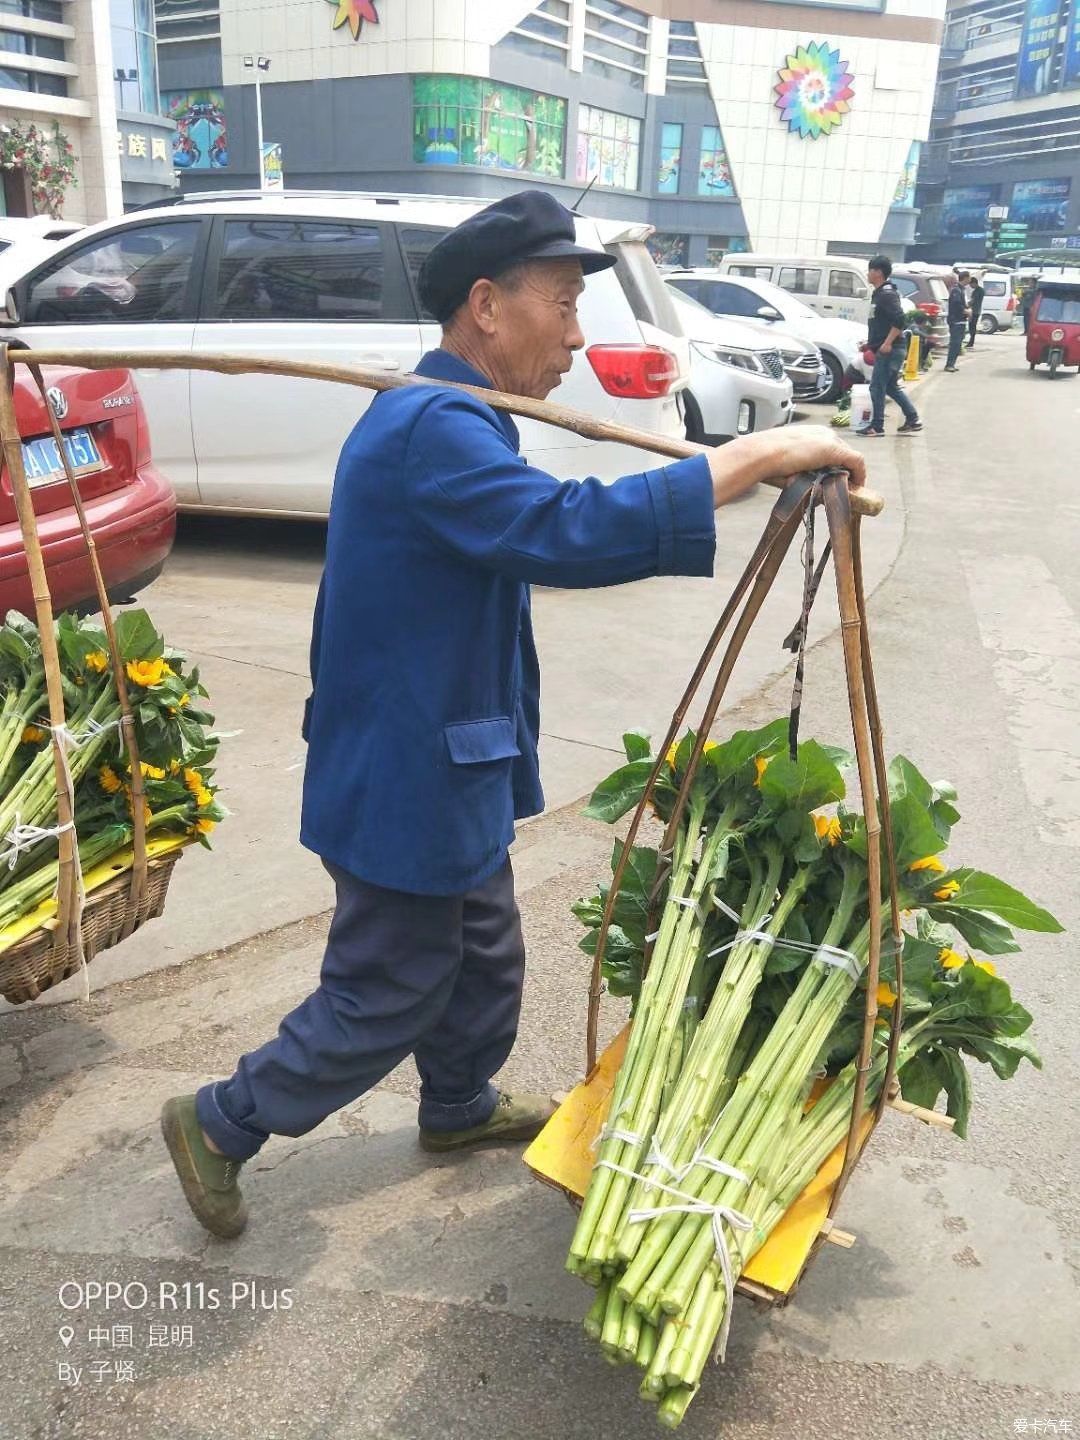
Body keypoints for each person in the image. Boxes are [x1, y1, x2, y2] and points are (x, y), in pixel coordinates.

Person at [159, 190, 865, 1240]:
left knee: (486, 950)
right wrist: (754, 458)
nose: (578, 337)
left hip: (455, 760)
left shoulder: (456, 417)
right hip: (407, 773)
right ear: (486, 308)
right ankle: (222, 1121)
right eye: (566, 304)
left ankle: (457, 1104)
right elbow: (559, 530)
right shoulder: (432, 426)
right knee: (391, 987)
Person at [855, 253, 922, 438]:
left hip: (890, 350)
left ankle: (877, 426)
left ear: (878, 272)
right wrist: (870, 345)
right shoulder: (880, 294)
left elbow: (900, 319)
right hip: (887, 347)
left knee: (876, 387)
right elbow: (882, 324)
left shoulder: (886, 294)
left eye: (870, 270)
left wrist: (886, 343)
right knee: (891, 387)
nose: (867, 274)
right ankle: (913, 419)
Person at [944, 271, 970, 371]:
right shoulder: (956, 290)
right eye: (969, 278)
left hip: (961, 320)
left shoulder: (961, 290)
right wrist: (965, 311)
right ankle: (949, 364)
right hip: (956, 320)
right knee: (955, 343)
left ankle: (952, 364)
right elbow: (957, 304)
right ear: (965, 278)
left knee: (958, 343)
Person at [966, 274, 985, 348]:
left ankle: (971, 342)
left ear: (974, 283)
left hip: (974, 311)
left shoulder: (977, 291)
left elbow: (972, 301)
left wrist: (966, 305)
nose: (970, 286)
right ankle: (971, 341)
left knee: (972, 327)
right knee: (973, 327)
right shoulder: (981, 290)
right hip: (977, 310)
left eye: (970, 284)